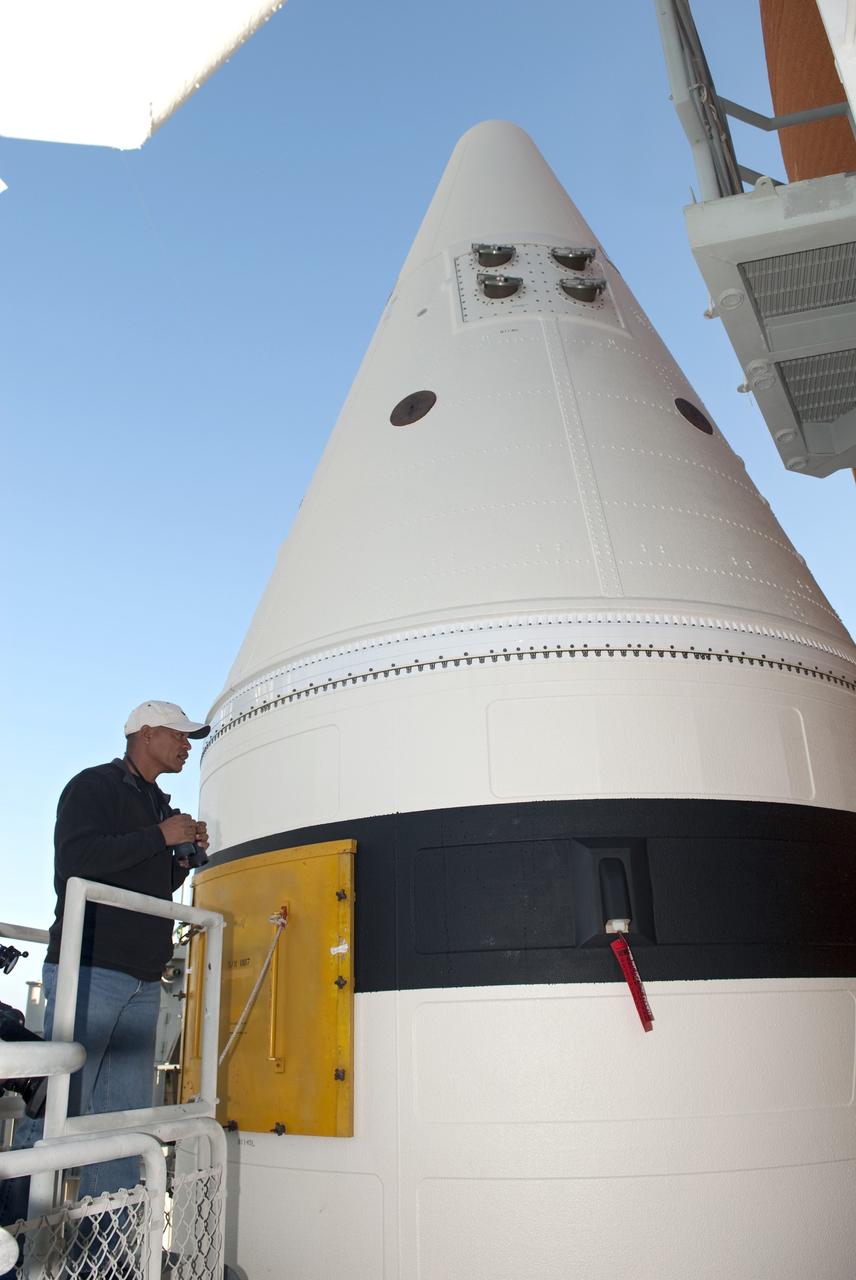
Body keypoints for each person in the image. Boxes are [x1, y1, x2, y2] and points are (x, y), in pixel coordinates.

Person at [0, 700, 210, 1228]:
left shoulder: (159, 804)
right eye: (180, 736)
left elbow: (150, 887)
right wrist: (160, 838)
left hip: (143, 979)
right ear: (145, 733)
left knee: (122, 1125)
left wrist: (179, 858)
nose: (188, 746)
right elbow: (76, 864)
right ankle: (13, 1242)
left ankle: (106, 1258)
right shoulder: (93, 786)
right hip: (89, 969)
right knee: (55, 1112)